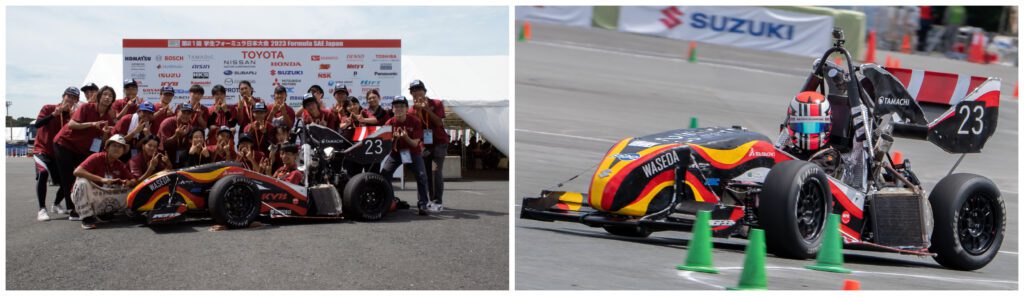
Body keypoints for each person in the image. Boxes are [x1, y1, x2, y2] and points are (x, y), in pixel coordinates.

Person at [53, 85, 117, 220]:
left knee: (82, 176)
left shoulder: (108, 117)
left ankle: (63, 203)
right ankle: (73, 210)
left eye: (110, 96)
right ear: (99, 96)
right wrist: (93, 124)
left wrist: (105, 133)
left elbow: (103, 140)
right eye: (105, 94)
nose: (107, 97)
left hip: (83, 149)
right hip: (65, 144)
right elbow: (71, 125)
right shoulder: (86, 108)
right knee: (68, 177)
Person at [379, 97, 432, 215]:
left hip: (413, 153)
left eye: (402, 106)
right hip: (396, 153)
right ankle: (390, 200)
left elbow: (415, 143)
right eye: (396, 106)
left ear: (407, 108)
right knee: (384, 175)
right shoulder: (389, 123)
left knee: (422, 176)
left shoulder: (415, 121)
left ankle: (423, 203)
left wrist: (406, 137)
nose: (399, 109)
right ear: (392, 109)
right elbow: (386, 144)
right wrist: (395, 138)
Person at [71, 134, 136, 229]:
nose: (117, 149)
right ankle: (87, 218)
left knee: (131, 189)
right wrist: (101, 179)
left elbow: (133, 180)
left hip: (103, 194)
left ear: (123, 151)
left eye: (120, 147)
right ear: (107, 148)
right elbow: (77, 171)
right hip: (90, 194)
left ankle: (105, 212)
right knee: (82, 182)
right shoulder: (96, 157)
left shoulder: (120, 164)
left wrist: (128, 183)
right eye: (114, 145)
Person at [33, 87, 79, 221]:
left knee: (67, 179)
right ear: (63, 96)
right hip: (42, 149)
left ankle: (56, 204)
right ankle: (42, 209)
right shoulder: (48, 108)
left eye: (73, 98)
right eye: (68, 96)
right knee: (43, 173)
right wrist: (53, 114)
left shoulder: (73, 116)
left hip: (59, 153)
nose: (70, 99)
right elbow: (37, 124)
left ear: (76, 101)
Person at [409, 79, 450, 208]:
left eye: (418, 89)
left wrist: (426, 109)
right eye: (413, 90)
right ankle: (424, 200)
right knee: (423, 173)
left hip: (439, 143)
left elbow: (438, 122)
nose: (416, 92)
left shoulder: (436, 103)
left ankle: (437, 201)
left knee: (435, 171)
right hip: (424, 145)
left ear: (425, 91)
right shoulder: (411, 110)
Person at [778, 91, 833, 160]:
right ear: (789, 123)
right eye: (802, 126)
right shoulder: (783, 153)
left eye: (816, 127)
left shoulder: (832, 159)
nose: (809, 133)